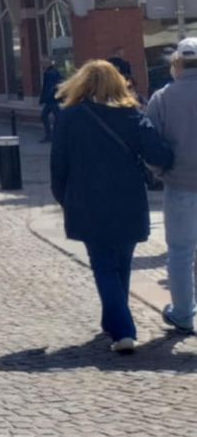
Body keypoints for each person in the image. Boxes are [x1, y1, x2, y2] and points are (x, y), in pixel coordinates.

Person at [49, 60, 173, 353]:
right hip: (129, 200)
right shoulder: (132, 115)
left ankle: (122, 330)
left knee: (104, 265)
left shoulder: (70, 117)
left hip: (87, 201)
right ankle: (114, 322)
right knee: (121, 263)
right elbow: (160, 155)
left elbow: (58, 165)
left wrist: (64, 198)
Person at [147, 38, 197, 334]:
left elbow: (150, 143)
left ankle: (183, 313)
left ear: (177, 63)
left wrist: (160, 172)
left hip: (179, 185)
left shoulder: (162, 97)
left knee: (180, 252)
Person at [40, 60, 64, 142]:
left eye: (43, 63)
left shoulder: (50, 73)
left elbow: (49, 87)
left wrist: (46, 97)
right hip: (52, 99)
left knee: (54, 116)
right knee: (55, 116)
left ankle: (53, 135)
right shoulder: (53, 72)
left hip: (51, 99)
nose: (42, 65)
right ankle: (52, 134)